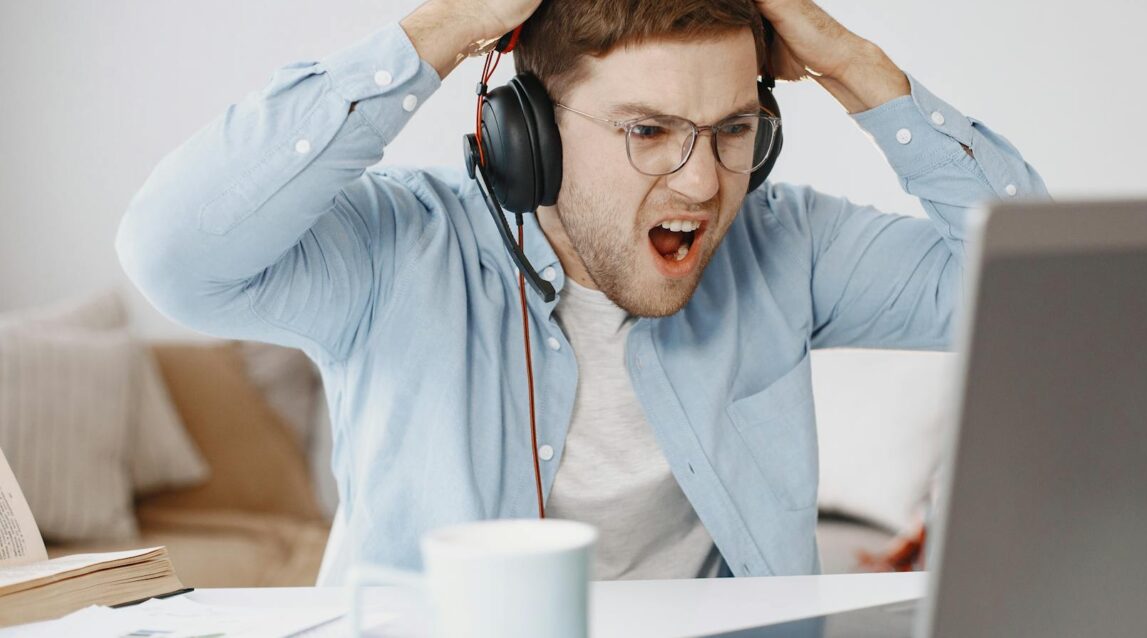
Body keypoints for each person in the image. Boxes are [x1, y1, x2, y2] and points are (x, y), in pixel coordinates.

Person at [117, 0, 1047, 584]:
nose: (701, 183)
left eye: (732, 129)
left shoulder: (787, 242)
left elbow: (1027, 284)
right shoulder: (397, 247)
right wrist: (440, 28)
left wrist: (856, 67)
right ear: (529, 135)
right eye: (648, 130)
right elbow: (174, 254)